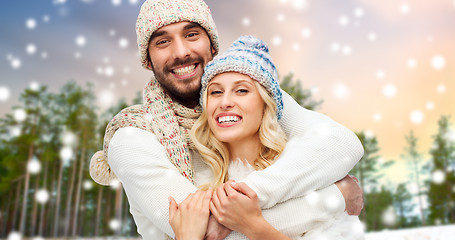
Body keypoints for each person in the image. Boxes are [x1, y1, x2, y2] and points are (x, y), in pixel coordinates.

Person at [89, 0, 365, 239]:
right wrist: (336, 197)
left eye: (192, 34)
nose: (181, 51)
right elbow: (209, 232)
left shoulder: (252, 94)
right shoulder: (133, 136)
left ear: (212, 45)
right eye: (162, 41)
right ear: (147, 60)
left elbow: (343, 146)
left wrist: (246, 199)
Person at [168, 36, 364, 240]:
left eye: (242, 90)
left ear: (266, 105)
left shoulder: (305, 174)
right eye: (216, 92)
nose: (225, 102)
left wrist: (253, 226)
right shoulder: (194, 185)